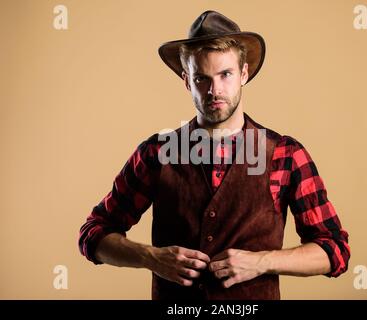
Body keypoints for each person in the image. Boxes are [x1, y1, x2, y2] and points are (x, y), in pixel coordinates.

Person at [79, 10, 350, 300]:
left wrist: (263, 261)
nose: (214, 90)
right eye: (201, 79)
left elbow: (334, 251)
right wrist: (150, 257)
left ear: (243, 73)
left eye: (225, 74)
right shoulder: (156, 154)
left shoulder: (285, 154)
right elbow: (94, 234)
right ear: (186, 81)